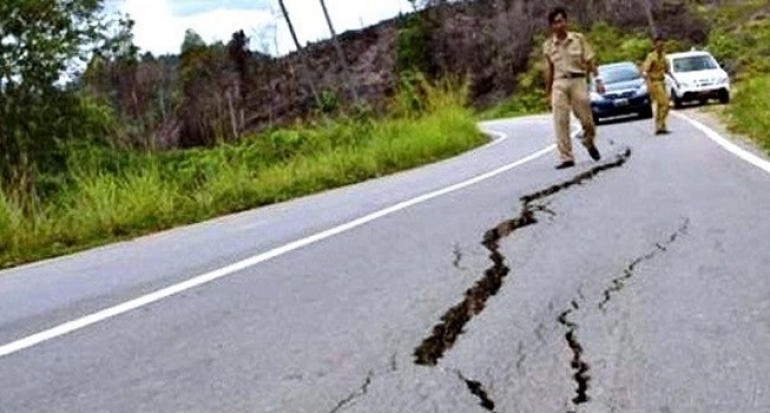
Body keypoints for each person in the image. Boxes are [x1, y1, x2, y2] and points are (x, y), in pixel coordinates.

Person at [543, 6, 602, 170]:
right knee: (560, 120)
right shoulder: (548, 46)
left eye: (561, 21)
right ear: (551, 26)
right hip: (559, 83)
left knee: (587, 120)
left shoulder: (578, 39)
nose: (559, 25)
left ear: (566, 22)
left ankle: (588, 141)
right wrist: (548, 93)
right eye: (555, 23)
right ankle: (566, 157)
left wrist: (598, 79)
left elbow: (590, 59)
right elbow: (548, 70)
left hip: (578, 80)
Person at [642, 35, 676, 135]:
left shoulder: (664, 56)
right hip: (654, 82)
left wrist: (675, 80)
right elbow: (645, 70)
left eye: (662, 44)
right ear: (655, 45)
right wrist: (647, 83)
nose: (661, 46)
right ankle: (660, 125)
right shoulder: (651, 56)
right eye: (659, 44)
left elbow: (667, 70)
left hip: (662, 81)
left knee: (661, 105)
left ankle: (660, 127)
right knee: (665, 103)